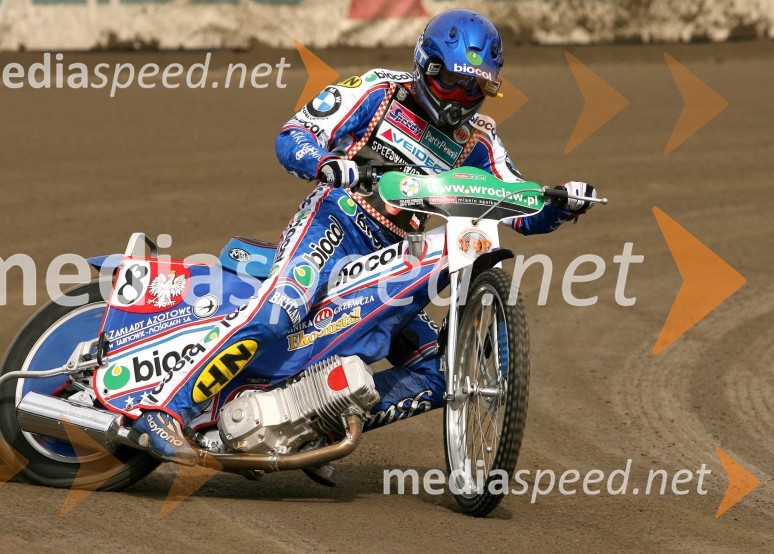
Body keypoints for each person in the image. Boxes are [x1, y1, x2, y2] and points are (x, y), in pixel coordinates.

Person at [133, 8, 598, 463]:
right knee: (281, 312)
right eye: (451, 81)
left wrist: (561, 204)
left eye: (475, 87)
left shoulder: (480, 141)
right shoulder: (377, 90)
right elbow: (295, 133)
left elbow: (517, 205)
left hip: (394, 262)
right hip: (333, 226)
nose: (460, 96)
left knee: (444, 373)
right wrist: (325, 162)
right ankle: (166, 407)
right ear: (425, 67)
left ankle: (313, 423)